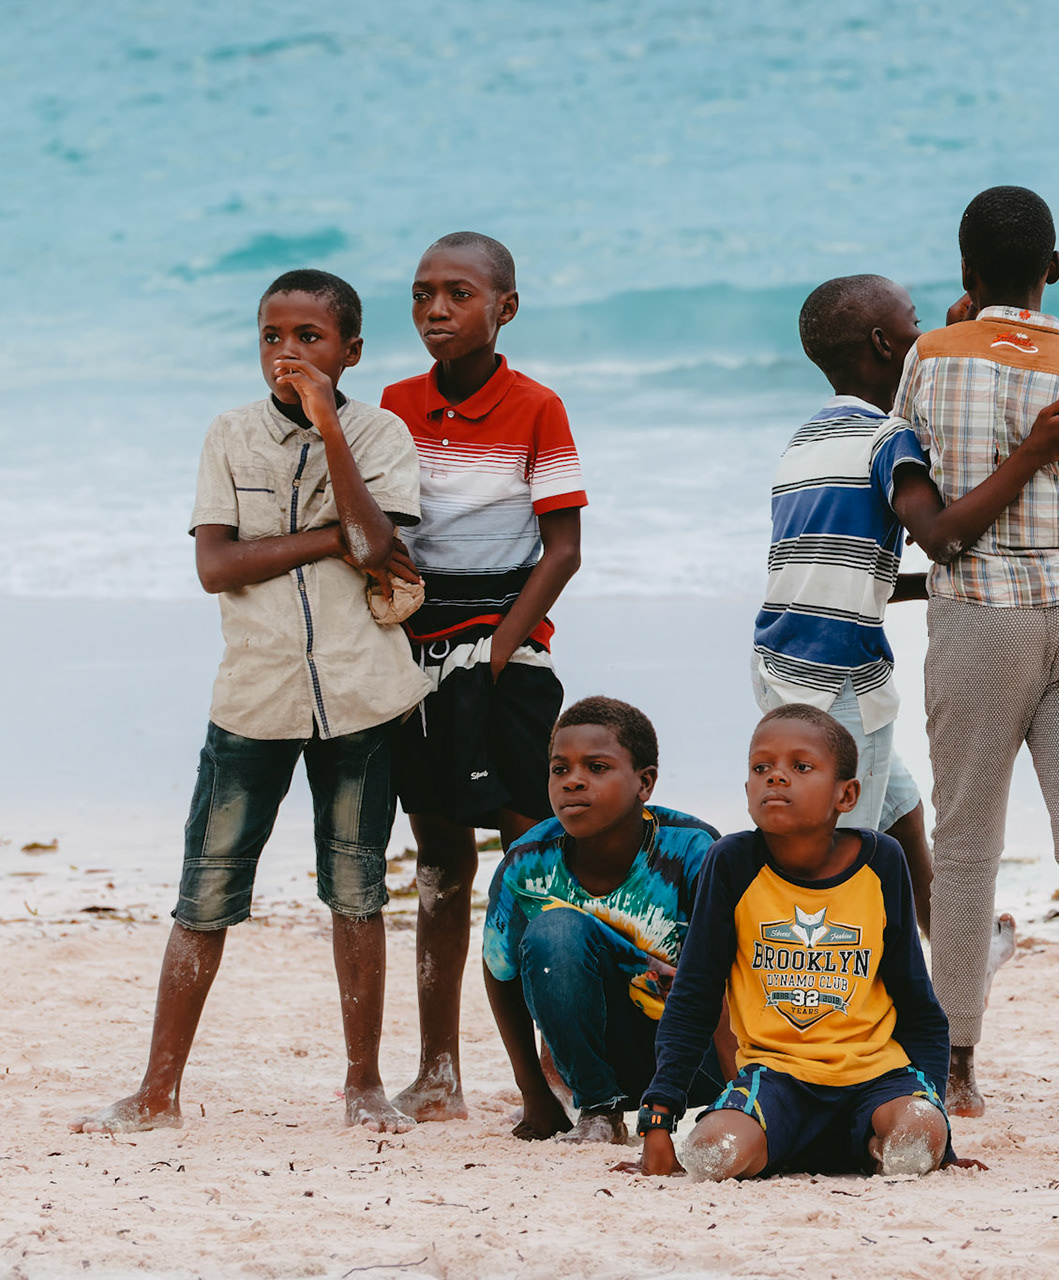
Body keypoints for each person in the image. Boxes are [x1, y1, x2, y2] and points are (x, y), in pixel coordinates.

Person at [72, 270, 428, 1135]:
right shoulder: (229, 436)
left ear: (350, 352)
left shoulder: (380, 434)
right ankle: (158, 1090)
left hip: (360, 697)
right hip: (253, 698)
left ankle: (363, 1086)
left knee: (357, 892)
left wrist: (330, 429)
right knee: (207, 891)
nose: (288, 354)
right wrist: (328, 542)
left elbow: (380, 543)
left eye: (310, 338)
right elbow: (216, 568)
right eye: (273, 336)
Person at [897, 186, 1059, 1123]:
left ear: (964, 274)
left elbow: (910, 469)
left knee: (966, 849)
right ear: (1054, 268)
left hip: (978, 619)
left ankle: (957, 1066)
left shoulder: (930, 356)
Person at [754, 272, 1059, 949]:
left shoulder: (808, 440)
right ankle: (877, 1012)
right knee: (842, 864)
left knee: (900, 807)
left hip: (781, 662)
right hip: (839, 682)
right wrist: (1033, 452)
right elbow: (940, 536)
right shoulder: (889, 440)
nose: (925, 332)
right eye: (914, 321)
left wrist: (947, 330)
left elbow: (845, 568)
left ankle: (956, 947)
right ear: (885, 345)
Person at [380, 232, 587, 1123]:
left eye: (458, 293)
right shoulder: (391, 407)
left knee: (531, 860)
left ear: (505, 307)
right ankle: (438, 1071)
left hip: (507, 661)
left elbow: (565, 548)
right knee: (437, 863)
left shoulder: (536, 406)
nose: (435, 309)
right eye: (423, 293)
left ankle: (559, 1063)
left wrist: (497, 654)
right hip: (415, 657)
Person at [636, 705, 955, 1179]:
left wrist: (940, 1125)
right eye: (761, 768)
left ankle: (873, 1141)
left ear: (846, 794)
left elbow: (917, 1002)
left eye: (800, 767)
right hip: (775, 1080)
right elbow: (694, 995)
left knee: (919, 1131)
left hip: (877, 1078)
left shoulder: (882, 862)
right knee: (709, 1152)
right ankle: (798, 1146)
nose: (776, 778)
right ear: (747, 790)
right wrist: (658, 1121)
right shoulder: (733, 863)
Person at [481, 696, 728, 1143]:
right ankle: (600, 1113)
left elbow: (739, 969)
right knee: (554, 931)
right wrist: (533, 1091)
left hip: (699, 1061)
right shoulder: (527, 864)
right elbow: (499, 969)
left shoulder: (695, 852)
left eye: (596, 767)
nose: (573, 782)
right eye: (560, 769)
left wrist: (741, 1092)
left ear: (645, 783)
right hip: (597, 1062)